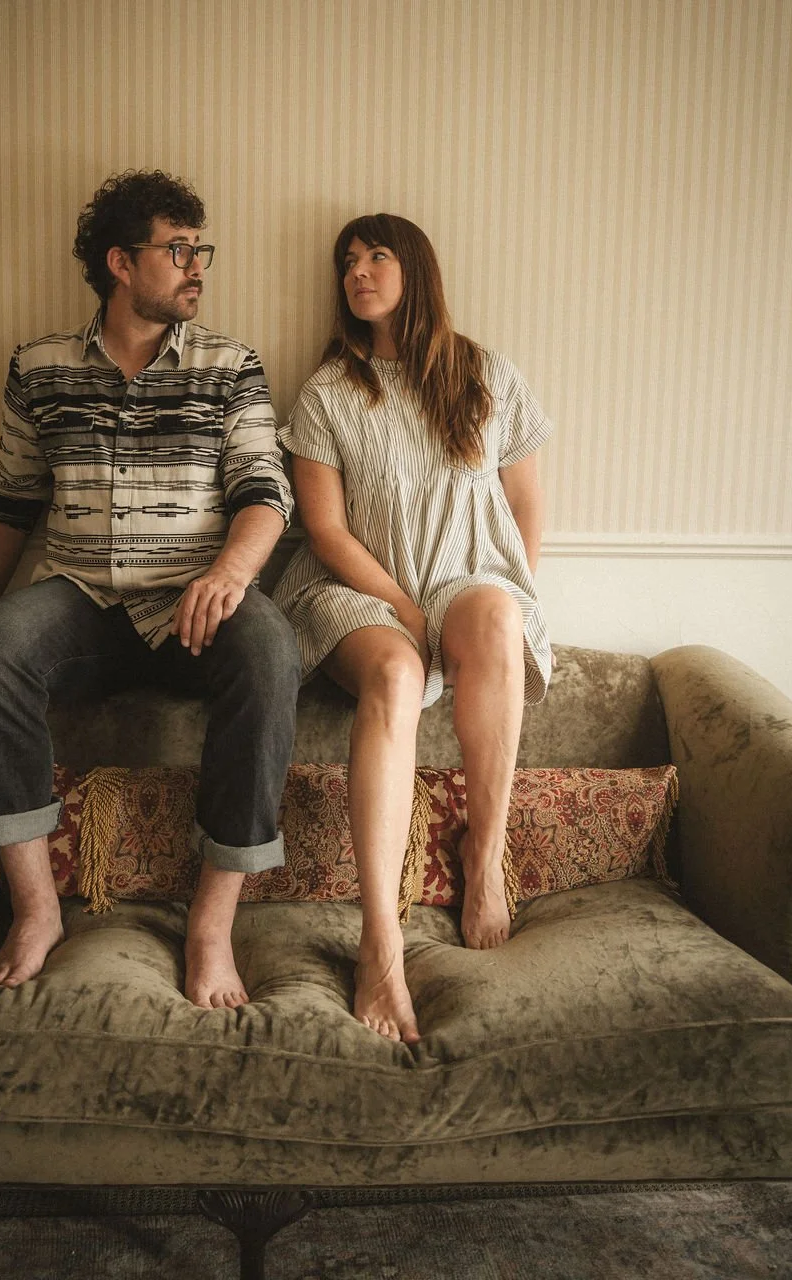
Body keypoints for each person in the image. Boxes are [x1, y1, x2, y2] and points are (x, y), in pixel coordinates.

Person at [0, 169, 300, 1007]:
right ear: (122, 263)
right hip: (79, 603)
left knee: (269, 648)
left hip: (192, 606)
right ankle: (37, 911)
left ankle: (210, 926)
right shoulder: (39, 366)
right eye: (179, 249)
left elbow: (266, 493)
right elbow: (11, 499)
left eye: (201, 249)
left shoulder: (232, 367)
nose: (198, 266)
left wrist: (230, 575)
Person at [272, 213, 553, 1044]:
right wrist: (404, 608)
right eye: (347, 262)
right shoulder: (328, 392)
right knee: (396, 674)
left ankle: (483, 855)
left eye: (376, 256)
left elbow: (523, 500)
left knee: (499, 612)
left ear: (415, 267)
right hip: (354, 588)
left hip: (462, 577)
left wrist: (517, 585)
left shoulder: (485, 375)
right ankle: (381, 941)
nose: (358, 272)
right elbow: (324, 531)